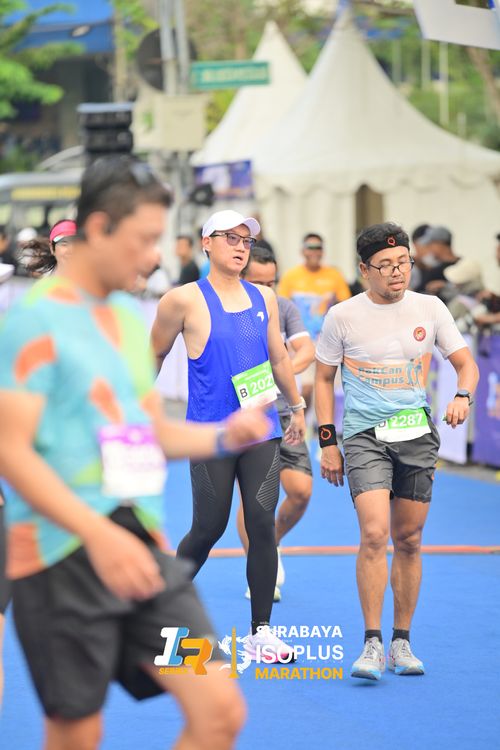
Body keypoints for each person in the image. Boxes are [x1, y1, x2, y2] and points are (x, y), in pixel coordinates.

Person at [0, 157, 274, 750]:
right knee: (77, 734)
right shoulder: (32, 321)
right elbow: (10, 452)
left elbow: (148, 429)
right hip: (61, 554)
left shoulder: (127, 315)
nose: (154, 257)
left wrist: (224, 436)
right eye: (144, 240)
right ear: (99, 229)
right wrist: (97, 535)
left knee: (220, 710)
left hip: (140, 550)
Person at [315, 221, 479, 681]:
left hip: (416, 436)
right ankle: (371, 643)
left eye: (403, 262)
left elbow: (466, 365)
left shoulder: (430, 307)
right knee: (374, 534)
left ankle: (401, 641)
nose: (396, 272)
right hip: (364, 436)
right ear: (364, 270)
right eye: (385, 265)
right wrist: (328, 443)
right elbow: (323, 379)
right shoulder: (342, 316)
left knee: (408, 539)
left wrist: (462, 396)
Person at [151, 209, 307, 661]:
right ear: (206, 243)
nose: (241, 248)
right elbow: (153, 356)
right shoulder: (182, 300)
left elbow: (279, 357)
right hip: (211, 434)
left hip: (261, 429)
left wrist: (296, 406)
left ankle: (261, 632)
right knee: (209, 527)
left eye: (246, 241)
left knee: (261, 523)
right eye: (231, 238)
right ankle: (159, 611)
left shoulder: (264, 297)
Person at [236, 244, 315, 602]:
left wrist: (279, 373)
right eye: (258, 283)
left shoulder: (284, 308)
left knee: (301, 492)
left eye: (272, 282)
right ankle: (258, 567)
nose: (266, 289)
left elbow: (306, 351)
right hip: (247, 417)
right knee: (254, 499)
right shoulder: (227, 310)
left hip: (284, 413)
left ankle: (271, 543)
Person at [277, 232, 351, 411]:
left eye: (318, 248)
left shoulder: (334, 275)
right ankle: (301, 420)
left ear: (323, 251)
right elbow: (280, 308)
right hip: (301, 341)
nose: (314, 252)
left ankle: (324, 425)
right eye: (310, 247)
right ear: (302, 251)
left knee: (328, 388)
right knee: (306, 389)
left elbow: (346, 306)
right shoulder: (291, 276)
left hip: (328, 340)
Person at [413, 225, 459, 296]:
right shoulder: (431, 270)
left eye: (430, 244)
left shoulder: (464, 266)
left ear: (439, 244)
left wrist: (446, 286)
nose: (428, 248)